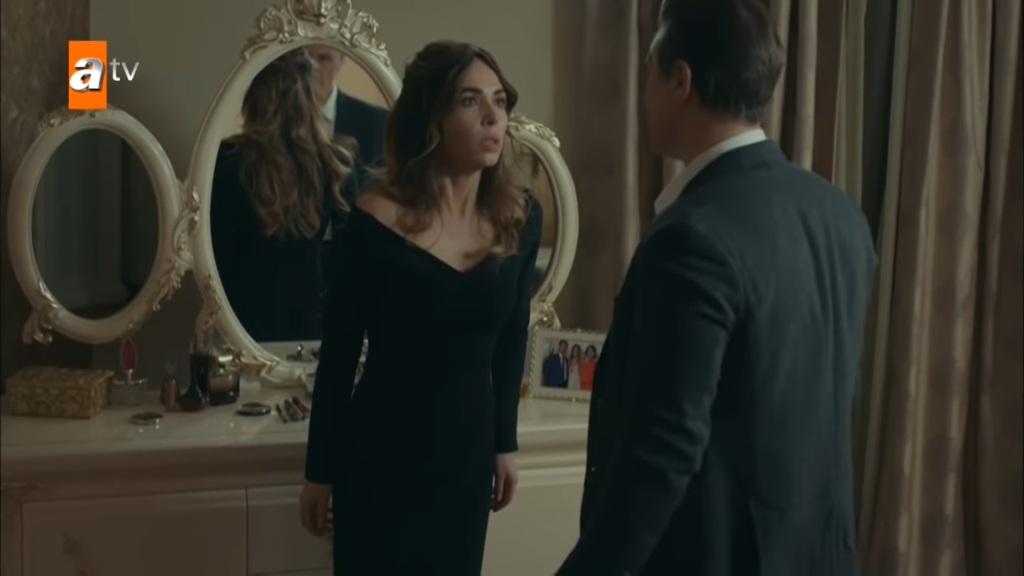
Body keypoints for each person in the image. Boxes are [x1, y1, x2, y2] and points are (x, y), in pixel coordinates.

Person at [558, 1, 878, 574]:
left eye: (651, 74)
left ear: (680, 81)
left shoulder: (692, 237)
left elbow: (663, 450)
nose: (646, 93)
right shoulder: (840, 215)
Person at [300, 41, 542, 575]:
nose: (492, 117)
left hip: (466, 460)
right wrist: (320, 471)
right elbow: (338, 355)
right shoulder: (373, 222)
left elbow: (512, 339)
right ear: (432, 119)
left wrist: (505, 443)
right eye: (470, 101)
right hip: (380, 458)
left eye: (500, 101)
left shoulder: (520, 220)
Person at [210, 49, 354, 342]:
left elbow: (217, 250)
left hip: (242, 317)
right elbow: (349, 260)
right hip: (308, 318)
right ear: (308, 102)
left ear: (256, 101)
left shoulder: (229, 159)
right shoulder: (334, 163)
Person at [307, 43, 389, 205]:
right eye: (304, 57)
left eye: (323, 58)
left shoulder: (376, 122)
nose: (311, 67)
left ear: (341, 62)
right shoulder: (271, 120)